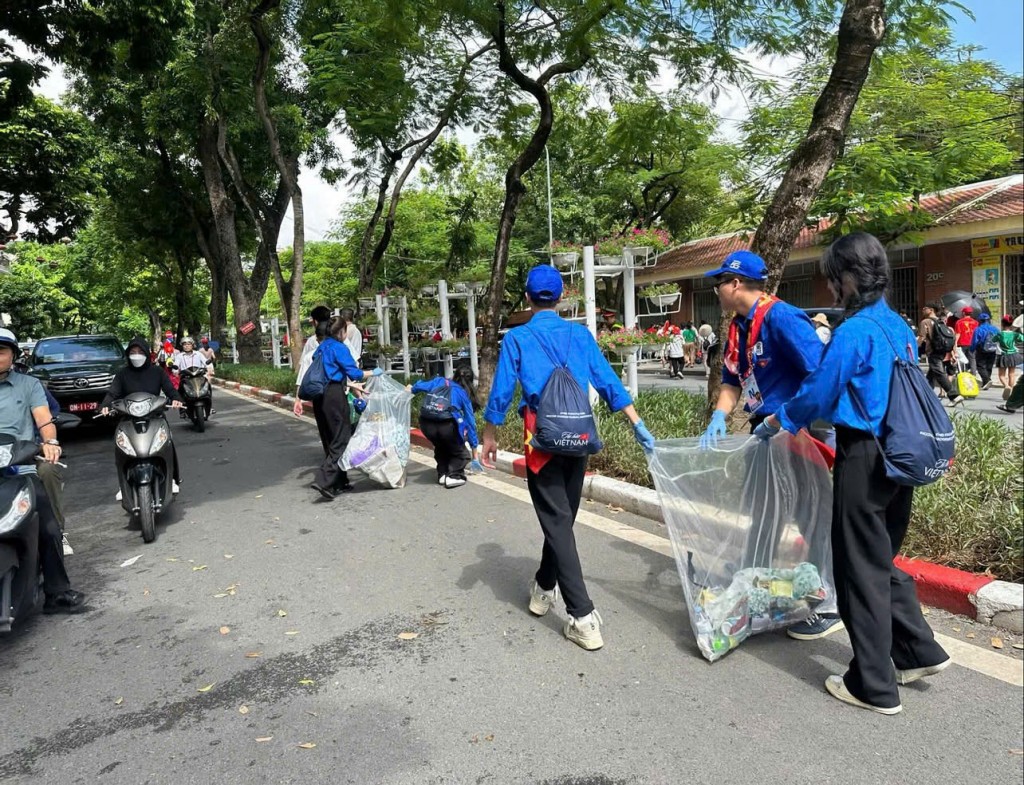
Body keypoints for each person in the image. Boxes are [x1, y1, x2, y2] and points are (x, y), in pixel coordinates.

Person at [756, 232, 949, 716]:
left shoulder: (855, 331)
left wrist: (780, 420)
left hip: (865, 456)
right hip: (903, 455)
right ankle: (915, 651)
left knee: (857, 567)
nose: (831, 287)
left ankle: (873, 685)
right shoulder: (898, 326)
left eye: (832, 277)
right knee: (878, 558)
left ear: (846, 276)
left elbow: (821, 391)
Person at [482, 265, 655, 652]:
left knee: (557, 522)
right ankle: (544, 586)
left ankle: (582, 615)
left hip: (540, 441)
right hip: (578, 437)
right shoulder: (579, 334)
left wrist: (489, 434)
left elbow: (502, 390)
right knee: (561, 519)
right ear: (560, 298)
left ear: (528, 298)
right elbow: (608, 381)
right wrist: (636, 423)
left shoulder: (518, 337)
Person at [698, 250, 837, 641]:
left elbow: (820, 375)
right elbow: (732, 381)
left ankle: (826, 602)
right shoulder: (738, 327)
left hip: (798, 432)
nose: (717, 290)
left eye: (719, 283)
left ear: (736, 284)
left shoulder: (781, 318)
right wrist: (719, 417)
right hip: (766, 431)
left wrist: (787, 420)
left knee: (812, 515)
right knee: (761, 508)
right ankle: (751, 581)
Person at [0, 328, 86, 614]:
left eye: (2, 351)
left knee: (47, 522)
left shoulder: (29, 385)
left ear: (13, 355)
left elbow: (43, 419)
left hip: (22, 465)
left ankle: (57, 592)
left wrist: (49, 442)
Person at [309, 315, 382, 499]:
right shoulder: (339, 348)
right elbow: (354, 372)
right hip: (333, 395)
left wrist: (350, 385)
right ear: (342, 331)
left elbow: (330, 372)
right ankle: (324, 479)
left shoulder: (322, 346)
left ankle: (338, 482)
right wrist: (373, 372)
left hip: (319, 397)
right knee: (341, 438)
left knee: (329, 438)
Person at [100, 337, 185, 495]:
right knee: (121, 447)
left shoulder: (157, 372)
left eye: (140, 352)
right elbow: (112, 393)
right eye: (133, 352)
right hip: (128, 419)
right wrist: (105, 406)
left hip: (155, 416)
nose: (136, 355)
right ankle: (123, 483)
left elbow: (170, 390)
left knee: (167, 442)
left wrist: (177, 400)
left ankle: (172, 478)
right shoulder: (122, 374)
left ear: (147, 353)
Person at [410, 365, 482, 489]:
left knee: (440, 445)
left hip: (426, 424)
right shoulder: (462, 393)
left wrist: (412, 388)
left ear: (455, 375)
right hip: (446, 426)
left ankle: (442, 473)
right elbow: (470, 424)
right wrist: (474, 452)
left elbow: (418, 386)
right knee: (459, 452)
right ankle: (454, 476)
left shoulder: (439, 381)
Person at [918, 305, 963, 405]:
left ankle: (954, 395)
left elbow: (921, 337)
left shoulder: (925, 322)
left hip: (933, 350)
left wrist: (914, 348)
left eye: (925, 308)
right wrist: (952, 352)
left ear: (931, 310)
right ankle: (925, 396)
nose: (922, 310)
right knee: (931, 374)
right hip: (942, 350)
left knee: (938, 372)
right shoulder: (941, 321)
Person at [293, 305, 332, 420]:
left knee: (325, 429)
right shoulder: (341, 341)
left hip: (318, 392)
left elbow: (304, 372)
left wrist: (298, 399)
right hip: (339, 392)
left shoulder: (311, 342)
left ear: (315, 321)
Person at [970, 313, 999, 390]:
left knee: (980, 367)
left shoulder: (978, 329)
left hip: (981, 350)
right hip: (993, 350)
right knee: (989, 366)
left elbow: (975, 341)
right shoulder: (995, 329)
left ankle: (987, 380)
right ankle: (985, 383)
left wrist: (972, 349)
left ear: (980, 321)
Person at [995, 315, 1023, 393]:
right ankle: (1011, 391)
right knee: (1012, 374)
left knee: (1001, 375)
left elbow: (993, 340)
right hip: (1013, 355)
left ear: (1002, 324)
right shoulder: (1014, 334)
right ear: (1011, 324)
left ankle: (1006, 386)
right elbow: (1021, 339)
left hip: (1003, 356)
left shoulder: (1000, 334)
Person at [954, 306, 979, 376]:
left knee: (961, 359)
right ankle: (974, 375)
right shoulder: (976, 322)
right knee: (972, 359)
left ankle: (961, 374)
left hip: (962, 343)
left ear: (964, 313)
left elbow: (958, 334)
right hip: (972, 344)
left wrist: (955, 344)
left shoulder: (959, 322)